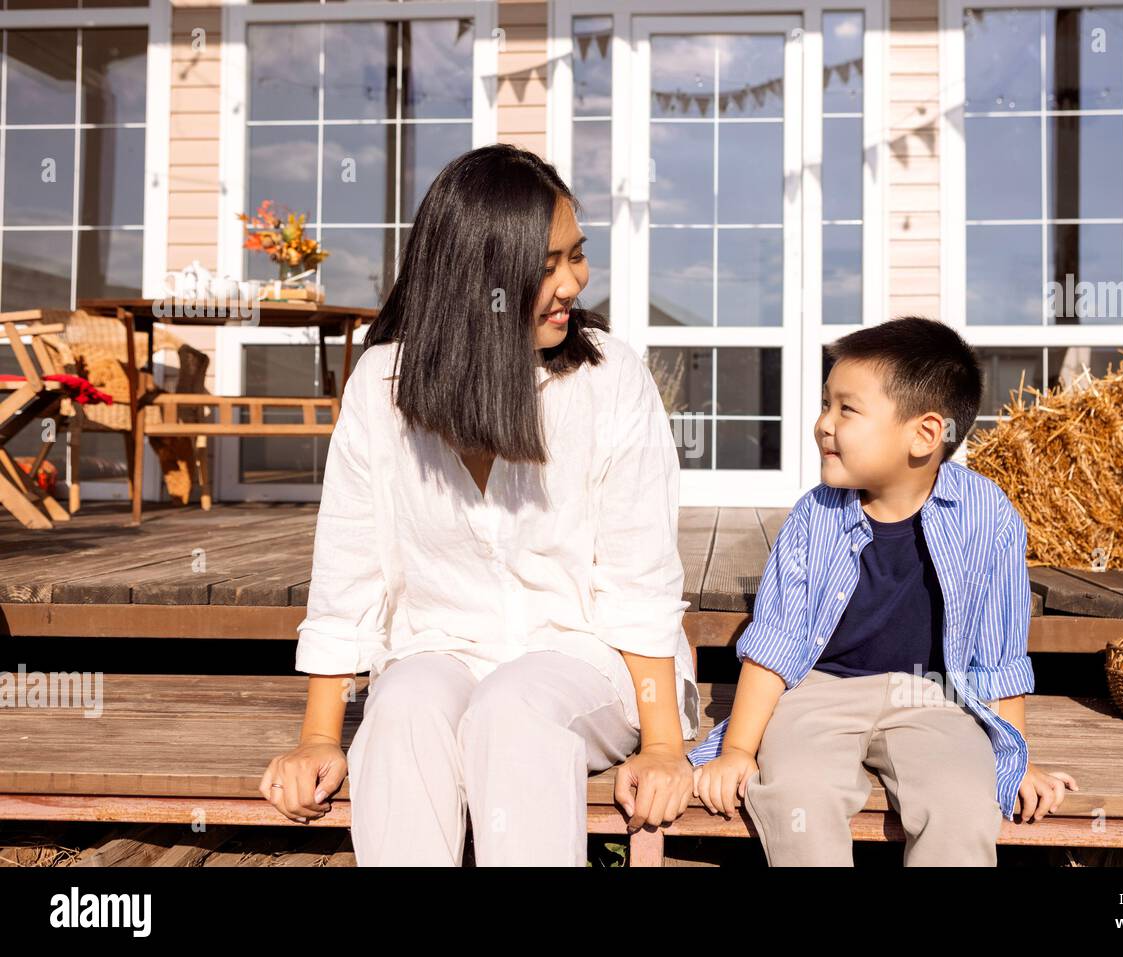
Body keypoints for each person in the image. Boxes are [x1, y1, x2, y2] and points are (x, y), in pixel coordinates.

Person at [259, 144, 700, 866]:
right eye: (548, 264)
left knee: (513, 710)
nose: (575, 281)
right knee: (400, 709)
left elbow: (639, 581)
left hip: (585, 659)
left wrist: (662, 745)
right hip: (441, 648)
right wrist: (318, 737)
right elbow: (349, 574)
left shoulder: (610, 379)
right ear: (481, 277)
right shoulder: (381, 386)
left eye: (576, 256)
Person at [688, 317, 1077, 866]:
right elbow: (774, 644)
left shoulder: (988, 517)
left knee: (963, 803)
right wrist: (735, 752)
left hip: (936, 697)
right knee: (798, 793)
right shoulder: (813, 517)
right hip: (817, 692)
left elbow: (998, 656)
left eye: (847, 409)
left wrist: (1013, 761)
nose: (824, 424)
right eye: (826, 404)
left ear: (923, 435)